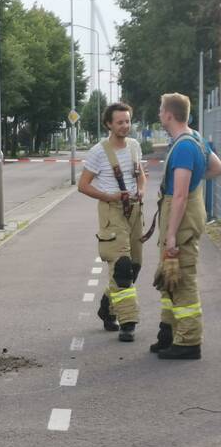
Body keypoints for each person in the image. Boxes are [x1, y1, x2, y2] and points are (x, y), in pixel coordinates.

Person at [150, 93, 221, 360]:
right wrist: (194, 178)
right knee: (171, 276)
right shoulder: (196, 140)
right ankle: (168, 332)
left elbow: (179, 196)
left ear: (169, 114)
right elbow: (217, 168)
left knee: (183, 278)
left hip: (180, 223)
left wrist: (170, 237)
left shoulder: (183, 147)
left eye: (160, 110)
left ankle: (189, 341)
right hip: (189, 218)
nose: (159, 114)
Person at [78, 102, 146, 342]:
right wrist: (108, 196)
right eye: (120, 122)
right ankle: (128, 322)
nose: (125, 126)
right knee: (122, 267)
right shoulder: (99, 151)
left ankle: (107, 305)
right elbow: (83, 185)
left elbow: (141, 177)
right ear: (109, 124)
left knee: (135, 266)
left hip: (134, 212)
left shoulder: (135, 147)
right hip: (112, 211)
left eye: (127, 121)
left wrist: (140, 190)